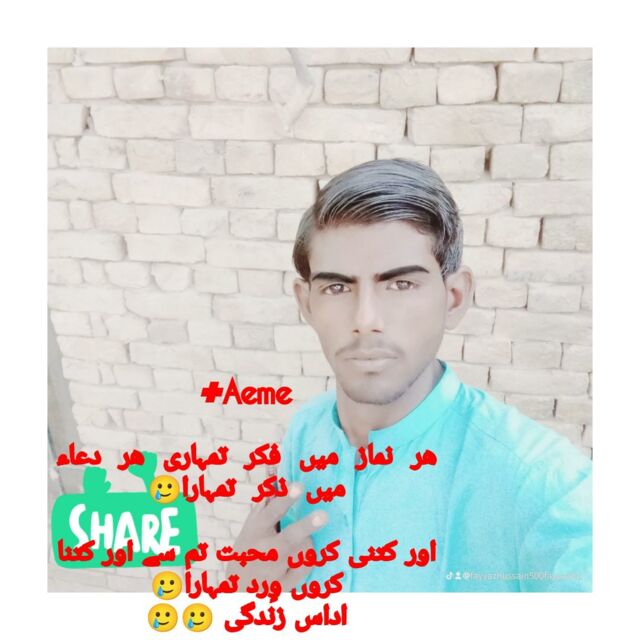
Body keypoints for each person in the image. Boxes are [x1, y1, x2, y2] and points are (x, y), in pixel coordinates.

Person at [226, 158, 592, 592]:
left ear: (454, 298)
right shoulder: (306, 431)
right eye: (337, 287)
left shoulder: (546, 488)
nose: (366, 320)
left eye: (401, 284)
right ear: (307, 303)